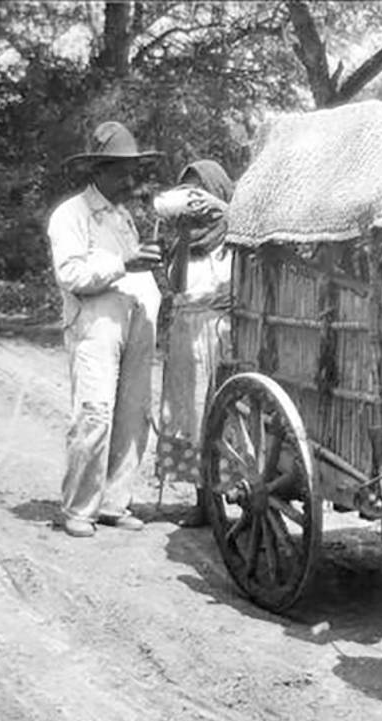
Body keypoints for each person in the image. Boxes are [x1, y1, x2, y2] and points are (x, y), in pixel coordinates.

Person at [47, 121, 164, 537]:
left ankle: (115, 501)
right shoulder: (72, 215)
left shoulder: (123, 218)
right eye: (121, 170)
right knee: (94, 411)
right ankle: (79, 508)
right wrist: (124, 264)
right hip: (95, 323)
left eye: (133, 170)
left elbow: (138, 268)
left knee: (133, 413)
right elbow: (72, 273)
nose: (131, 179)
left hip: (135, 320)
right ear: (97, 170)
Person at [154, 160, 235, 527]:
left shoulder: (235, 240)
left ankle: (229, 494)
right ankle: (203, 501)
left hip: (221, 332)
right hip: (188, 333)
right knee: (191, 414)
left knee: (222, 416)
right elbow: (178, 286)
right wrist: (184, 238)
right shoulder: (186, 243)